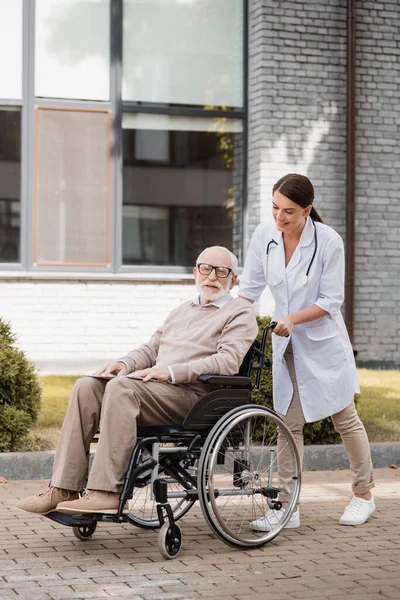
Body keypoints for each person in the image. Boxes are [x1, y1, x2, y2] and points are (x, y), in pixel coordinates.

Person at [16, 246, 258, 516]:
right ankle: (63, 487)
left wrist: (172, 372)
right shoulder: (181, 311)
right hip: (158, 391)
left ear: (233, 279)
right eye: (206, 268)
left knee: (122, 388)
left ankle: (107, 492)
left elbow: (228, 361)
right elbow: (151, 349)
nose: (212, 276)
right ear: (195, 272)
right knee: (87, 386)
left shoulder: (240, 313)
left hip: (196, 396)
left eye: (221, 271)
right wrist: (124, 364)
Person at [238, 173, 375, 529]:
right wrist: (227, 324)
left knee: (344, 419)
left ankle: (364, 495)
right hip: (287, 345)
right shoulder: (264, 236)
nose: (279, 217)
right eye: (275, 207)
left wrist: (294, 319)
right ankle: (287, 506)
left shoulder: (328, 241)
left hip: (322, 343)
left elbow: (331, 300)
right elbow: (249, 289)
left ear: (307, 210)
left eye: (289, 211)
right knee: (288, 423)